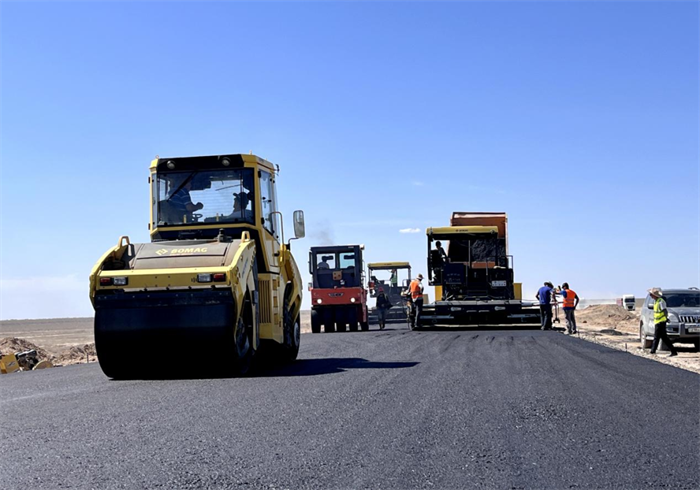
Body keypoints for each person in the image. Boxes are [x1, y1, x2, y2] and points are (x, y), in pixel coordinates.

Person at [648, 288, 678, 356]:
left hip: (661, 322)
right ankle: (673, 351)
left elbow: (664, 311)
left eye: (651, 294)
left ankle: (653, 351)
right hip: (658, 321)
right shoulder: (656, 301)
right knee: (664, 338)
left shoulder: (661, 301)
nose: (650, 296)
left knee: (656, 337)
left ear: (655, 295)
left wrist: (666, 318)